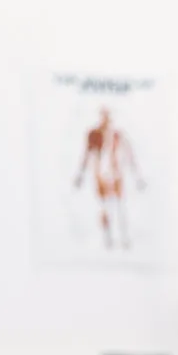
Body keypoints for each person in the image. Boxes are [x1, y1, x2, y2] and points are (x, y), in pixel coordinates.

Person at [73, 106, 144, 249]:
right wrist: (80, 175)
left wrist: (137, 177)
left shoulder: (118, 135)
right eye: (103, 116)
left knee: (120, 207)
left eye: (108, 116)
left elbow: (129, 154)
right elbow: (86, 155)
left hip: (115, 173)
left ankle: (124, 238)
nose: (106, 119)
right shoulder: (93, 134)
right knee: (105, 207)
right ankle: (108, 239)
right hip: (101, 174)